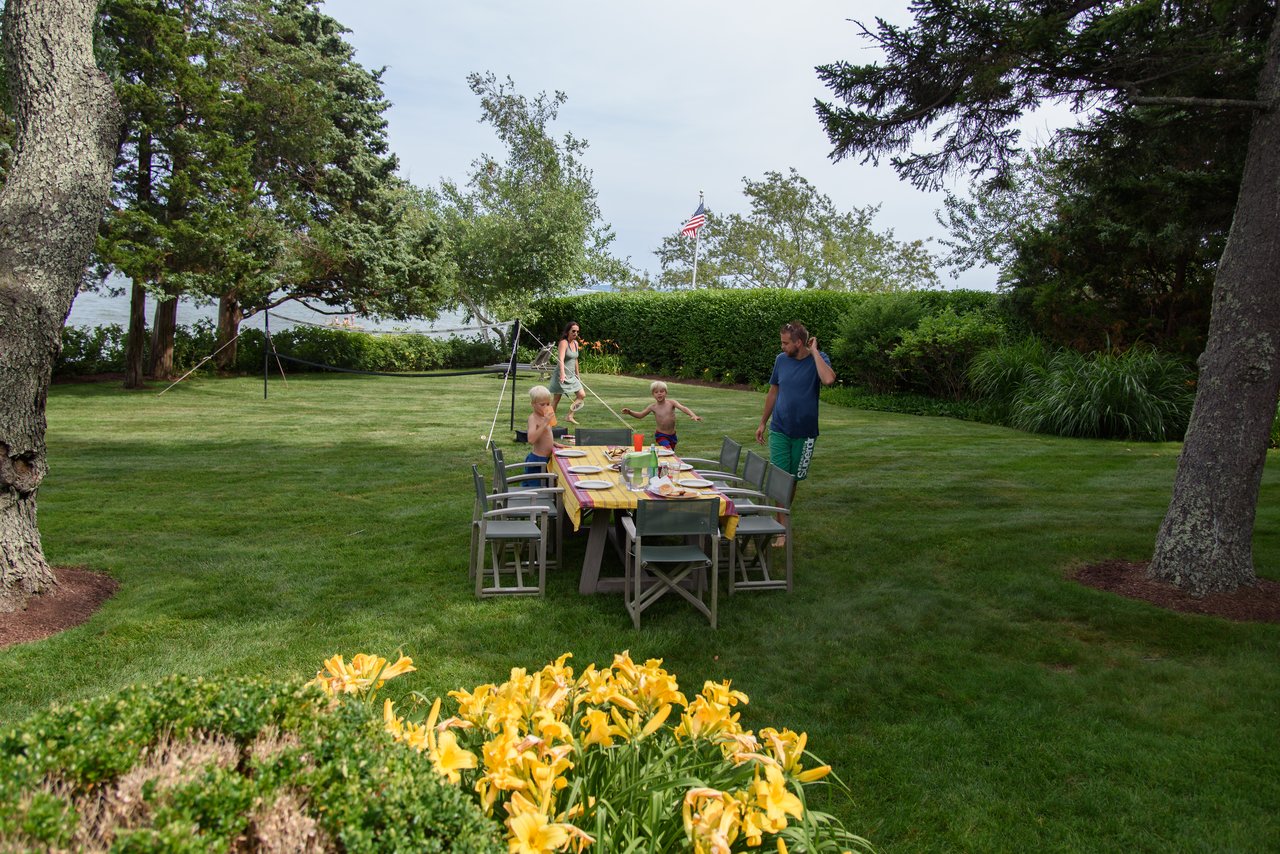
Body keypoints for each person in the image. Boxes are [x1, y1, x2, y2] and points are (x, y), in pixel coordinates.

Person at [756, 321, 836, 482]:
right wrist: (763, 422)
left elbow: (828, 379)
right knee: (779, 478)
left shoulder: (819, 359)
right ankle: (780, 508)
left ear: (798, 342)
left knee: (791, 480)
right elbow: (773, 392)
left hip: (805, 432)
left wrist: (814, 351)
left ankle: (783, 508)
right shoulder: (781, 360)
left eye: (785, 343)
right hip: (779, 428)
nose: (782, 347)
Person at [621, 380, 702, 451]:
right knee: (668, 450)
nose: (659, 394)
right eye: (656, 392)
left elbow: (683, 408)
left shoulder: (671, 403)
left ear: (666, 392)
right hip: (661, 435)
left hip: (672, 435)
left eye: (661, 391)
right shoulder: (653, 407)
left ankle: (666, 466)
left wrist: (693, 415)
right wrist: (630, 412)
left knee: (670, 453)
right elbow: (641, 415)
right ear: (653, 394)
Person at [525, 385, 564, 486]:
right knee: (536, 487)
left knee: (547, 484)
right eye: (542, 404)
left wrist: (553, 443)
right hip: (537, 460)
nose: (546, 407)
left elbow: (544, 436)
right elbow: (531, 439)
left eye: (548, 404)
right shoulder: (533, 418)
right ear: (533, 404)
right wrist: (545, 422)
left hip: (547, 459)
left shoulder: (543, 417)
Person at [549, 320, 586, 424]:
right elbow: (560, 359)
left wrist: (577, 374)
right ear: (567, 332)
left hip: (572, 375)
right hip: (561, 375)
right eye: (573, 331)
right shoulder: (563, 343)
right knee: (556, 399)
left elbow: (575, 359)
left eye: (577, 331)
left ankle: (569, 416)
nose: (575, 333)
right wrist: (562, 373)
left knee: (581, 395)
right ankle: (549, 421)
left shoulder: (575, 343)